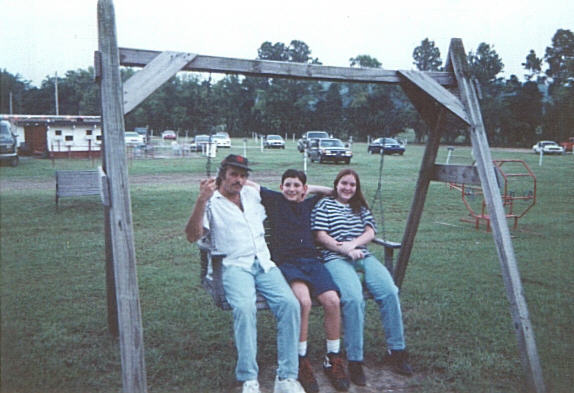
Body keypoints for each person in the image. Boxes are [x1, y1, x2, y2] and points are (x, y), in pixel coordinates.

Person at [185, 155, 305, 393]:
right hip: (233, 265)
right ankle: (249, 378)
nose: (239, 180)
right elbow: (192, 235)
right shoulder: (211, 202)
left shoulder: (252, 194)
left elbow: (292, 193)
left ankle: (286, 378)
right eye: (233, 174)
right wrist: (200, 200)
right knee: (244, 309)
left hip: (264, 263)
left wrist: (329, 190)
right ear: (222, 175)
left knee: (291, 305)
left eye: (243, 175)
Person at [247, 169, 350, 393]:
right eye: (288, 185)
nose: (291, 190)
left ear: (302, 189)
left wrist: (309, 188)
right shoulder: (274, 200)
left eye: (296, 186)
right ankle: (300, 360)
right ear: (281, 186)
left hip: (312, 262)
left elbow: (334, 192)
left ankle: (332, 357)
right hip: (288, 263)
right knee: (304, 302)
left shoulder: (308, 204)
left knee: (332, 301)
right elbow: (249, 184)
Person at [311, 168, 413, 386]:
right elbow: (320, 235)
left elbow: (370, 232)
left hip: (362, 255)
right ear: (336, 184)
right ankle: (355, 360)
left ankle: (397, 350)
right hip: (335, 257)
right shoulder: (324, 205)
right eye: (344, 183)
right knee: (353, 298)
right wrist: (344, 249)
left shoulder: (359, 207)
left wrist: (354, 245)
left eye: (352, 185)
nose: (348, 188)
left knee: (390, 291)